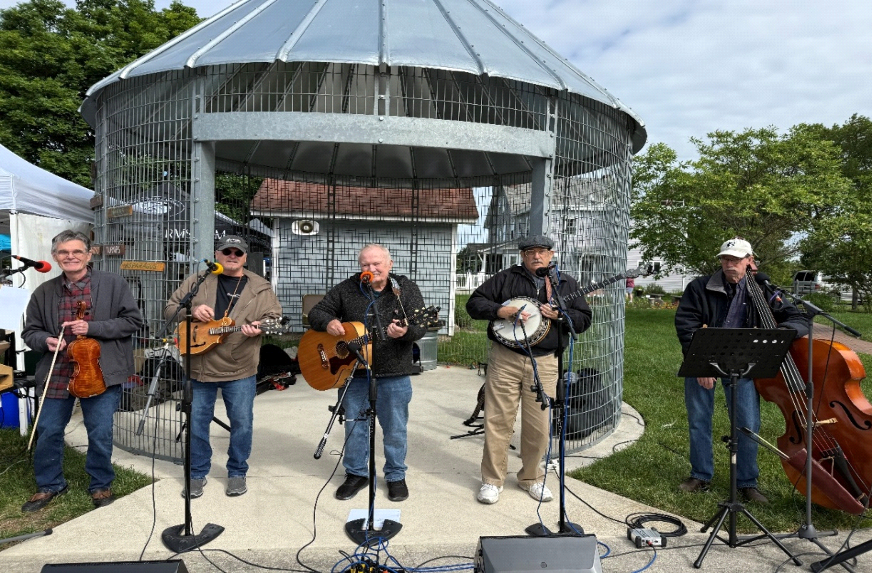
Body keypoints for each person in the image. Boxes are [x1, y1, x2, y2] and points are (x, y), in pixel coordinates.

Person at [674, 237, 808, 503]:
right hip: (703, 358)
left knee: (748, 424)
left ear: (750, 261)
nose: (729, 264)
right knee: (699, 420)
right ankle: (700, 475)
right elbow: (686, 326)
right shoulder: (700, 287)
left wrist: (780, 333)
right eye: (725, 259)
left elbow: (799, 318)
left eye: (735, 260)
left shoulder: (763, 288)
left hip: (745, 362)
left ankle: (747, 482)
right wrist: (702, 363)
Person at [21, 230, 144, 512]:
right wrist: (46, 341)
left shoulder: (113, 283)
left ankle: (100, 484)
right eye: (64, 252)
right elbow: (31, 332)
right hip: (59, 370)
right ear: (55, 257)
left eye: (77, 251)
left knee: (99, 430)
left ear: (89, 255)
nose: (70, 257)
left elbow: (133, 321)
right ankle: (50, 484)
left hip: (99, 371)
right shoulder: (44, 292)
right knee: (49, 429)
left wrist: (93, 328)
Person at [466, 235, 592, 504]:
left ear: (551, 254)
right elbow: (474, 303)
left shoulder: (566, 284)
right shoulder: (506, 278)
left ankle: (531, 478)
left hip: (546, 361)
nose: (536, 256)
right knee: (498, 420)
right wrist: (502, 310)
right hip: (506, 357)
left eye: (542, 252)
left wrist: (560, 315)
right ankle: (492, 480)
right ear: (523, 256)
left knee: (539, 425)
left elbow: (583, 320)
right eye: (530, 252)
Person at [308, 244, 427, 502]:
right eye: (365, 265)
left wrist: (406, 332)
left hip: (394, 372)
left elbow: (421, 326)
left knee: (395, 428)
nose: (371, 269)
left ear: (390, 264)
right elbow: (317, 312)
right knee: (355, 425)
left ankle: (396, 476)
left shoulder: (405, 290)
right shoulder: (347, 288)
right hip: (354, 372)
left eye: (377, 264)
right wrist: (328, 322)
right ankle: (357, 474)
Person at [165, 235, 281, 498]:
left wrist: (258, 329)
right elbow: (171, 308)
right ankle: (196, 474)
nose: (232, 255)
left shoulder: (260, 287)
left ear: (244, 257)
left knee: (241, 423)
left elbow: (274, 318)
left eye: (237, 252)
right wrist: (191, 313)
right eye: (226, 251)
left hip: (239, 367)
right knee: (197, 422)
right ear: (217, 254)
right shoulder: (199, 280)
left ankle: (237, 471)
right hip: (199, 365)